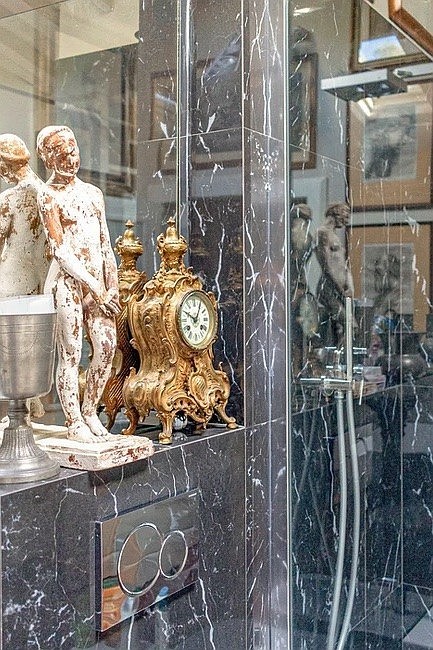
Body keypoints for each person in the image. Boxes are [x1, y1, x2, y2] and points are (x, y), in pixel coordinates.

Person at [36, 125, 120, 443]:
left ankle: (90, 412)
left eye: (74, 151)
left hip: (99, 286)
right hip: (67, 284)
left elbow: (105, 244)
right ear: (49, 159)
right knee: (71, 353)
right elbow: (60, 251)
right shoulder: (48, 196)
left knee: (106, 348)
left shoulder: (93, 193)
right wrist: (95, 287)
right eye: (63, 155)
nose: (71, 159)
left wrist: (112, 287)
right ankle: (73, 422)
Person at [0, 134, 49, 297]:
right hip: (42, 281)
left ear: (4, 163)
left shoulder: (9, 198)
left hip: (11, 280)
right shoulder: (47, 193)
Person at [316, 203, 355, 346]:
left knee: (342, 328)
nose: (346, 220)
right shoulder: (323, 233)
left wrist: (349, 285)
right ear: (336, 213)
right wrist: (340, 289)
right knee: (350, 325)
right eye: (345, 216)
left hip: (340, 290)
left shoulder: (334, 236)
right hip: (330, 288)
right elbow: (326, 265)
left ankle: (337, 355)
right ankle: (337, 356)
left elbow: (342, 264)